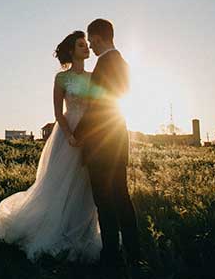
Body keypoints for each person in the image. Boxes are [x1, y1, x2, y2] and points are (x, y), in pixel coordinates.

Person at [0, 31, 102, 264]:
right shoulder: (61, 79)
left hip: (90, 134)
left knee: (84, 185)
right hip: (67, 137)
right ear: (72, 50)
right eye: (81, 44)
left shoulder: (95, 76)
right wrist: (70, 136)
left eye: (87, 44)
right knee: (58, 185)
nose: (86, 48)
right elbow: (57, 113)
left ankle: (80, 232)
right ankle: (50, 229)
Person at [73, 18, 142, 276]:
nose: (91, 45)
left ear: (99, 37)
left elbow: (96, 106)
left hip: (102, 144)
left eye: (91, 40)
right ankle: (134, 255)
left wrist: (77, 135)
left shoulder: (104, 63)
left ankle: (111, 257)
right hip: (118, 140)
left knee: (104, 202)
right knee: (122, 199)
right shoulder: (123, 64)